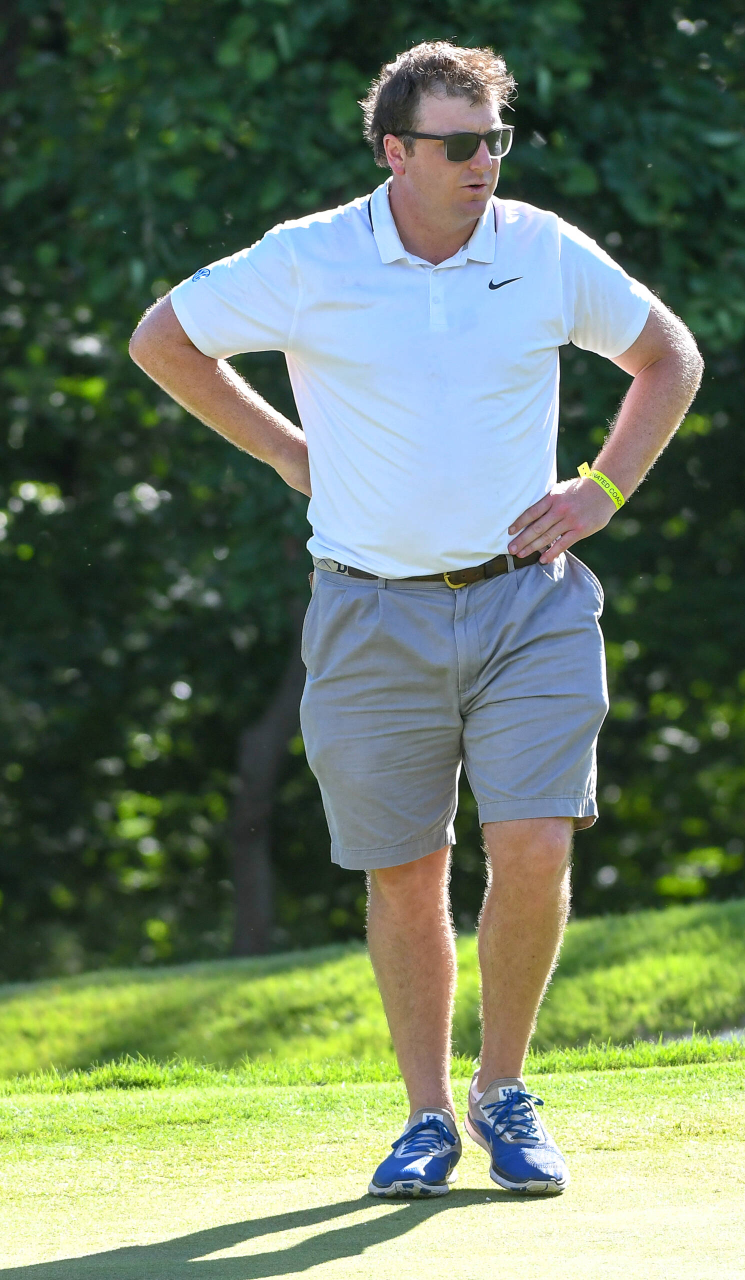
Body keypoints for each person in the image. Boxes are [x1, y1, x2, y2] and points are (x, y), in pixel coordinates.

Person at [130, 40, 703, 1198]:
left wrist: (601, 489)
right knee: (405, 870)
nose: (482, 161)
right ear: (395, 151)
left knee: (536, 839)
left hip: (526, 604)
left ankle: (504, 1089)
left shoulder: (540, 249)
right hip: (366, 608)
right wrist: (293, 455)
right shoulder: (311, 257)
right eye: (456, 143)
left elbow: (666, 356)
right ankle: (428, 1114)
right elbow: (162, 340)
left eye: (495, 137)